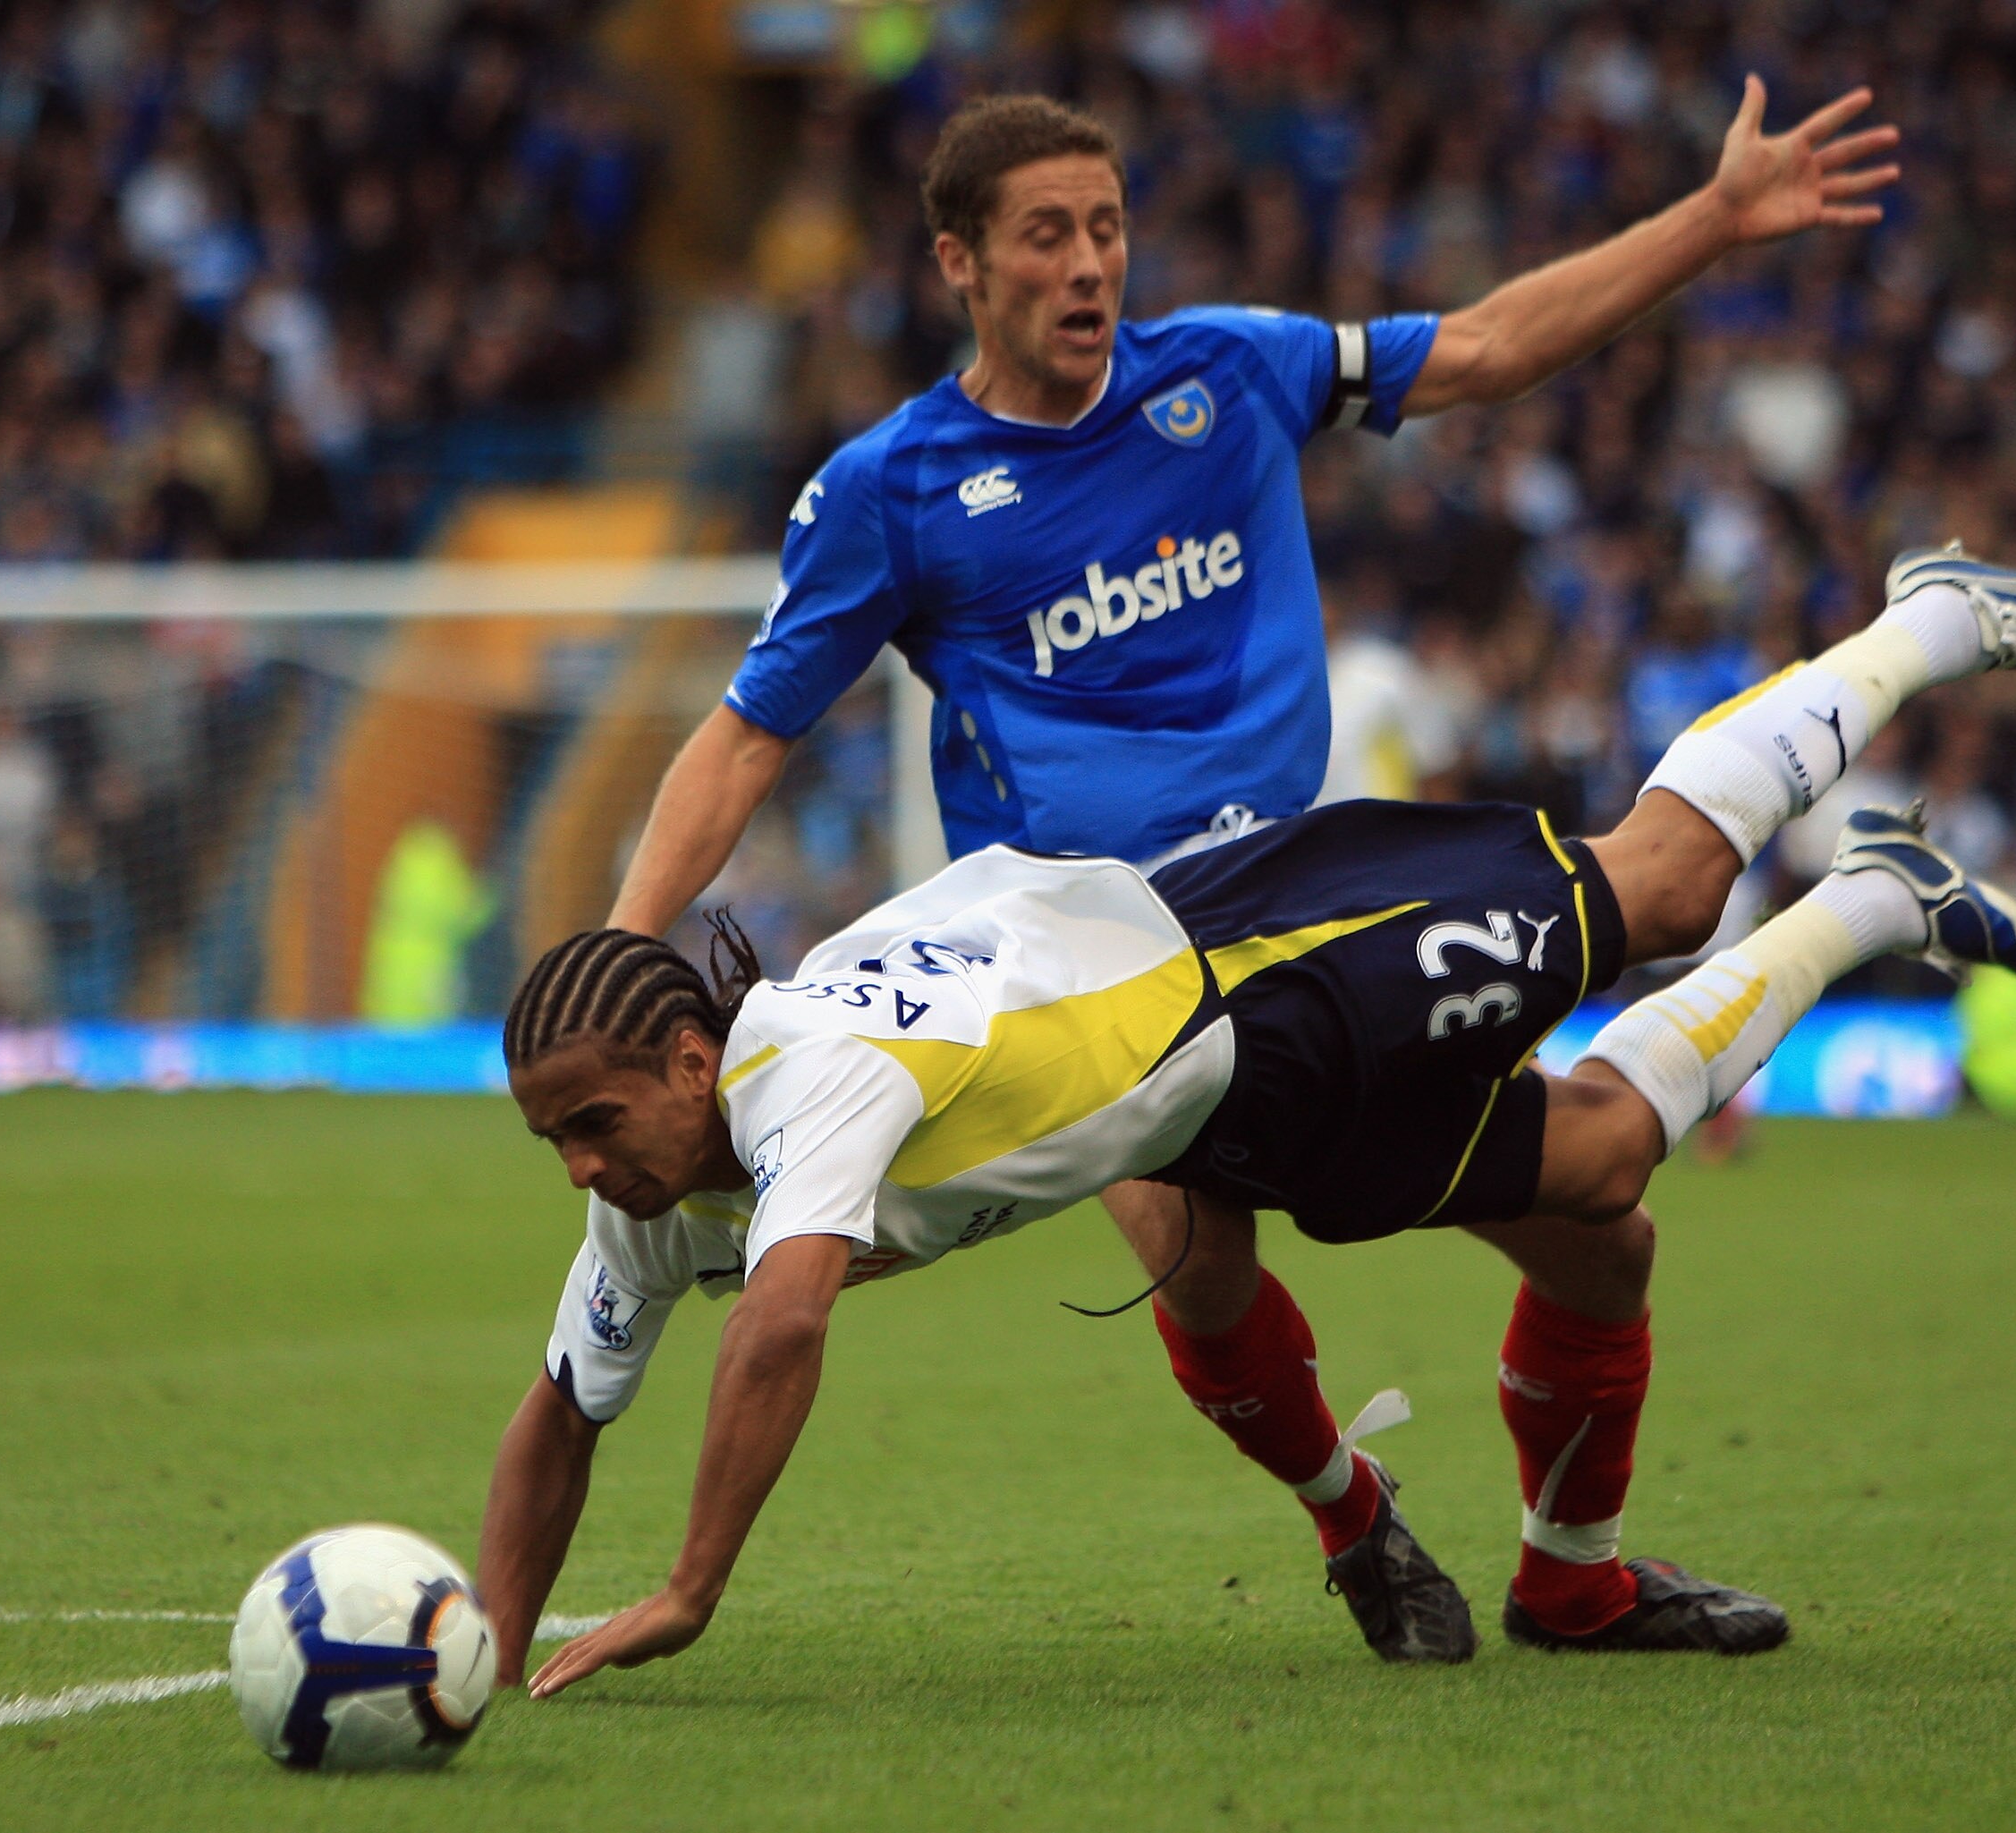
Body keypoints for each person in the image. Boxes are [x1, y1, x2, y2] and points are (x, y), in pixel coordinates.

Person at [597, 81, 1904, 1651]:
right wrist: (615, 954)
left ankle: (1575, 1572)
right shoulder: (897, 487)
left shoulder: (1228, 369)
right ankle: (1358, 1523)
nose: (1089, 266)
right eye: (1044, 237)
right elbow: (747, 736)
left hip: (1326, 906)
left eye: (1106, 228)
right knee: (1198, 1256)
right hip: (1103, 967)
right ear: (959, 261)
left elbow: (1482, 351)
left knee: (1605, 1230)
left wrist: (1713, 216)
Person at [482, 558, 2016, 1690]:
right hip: (1212, 1098)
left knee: (1660, 886)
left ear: (698, 1065)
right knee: (1599, 1171)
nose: (579, 1165)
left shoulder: (812, 1085)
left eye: (593, 1120)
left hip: (1262, 961)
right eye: (554, 1134)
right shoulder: (649, 1190)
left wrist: (695, 1584)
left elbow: (779, 1325)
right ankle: (1873, 902)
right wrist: (484, 1637)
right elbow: (565, 1407)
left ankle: (1928, 622)